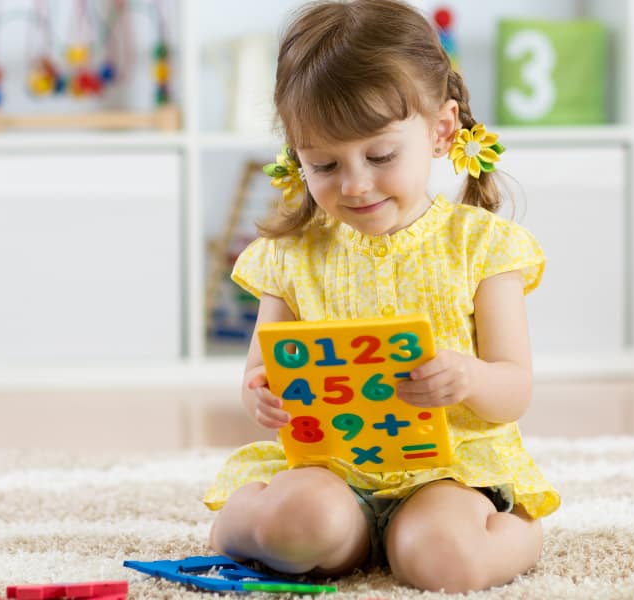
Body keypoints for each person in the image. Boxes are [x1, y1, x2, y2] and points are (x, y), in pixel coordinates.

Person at [203, 0, 560, 592]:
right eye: (323, 164)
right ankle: (271, 528)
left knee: (444, 562)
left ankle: (518, 531)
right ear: (297, 155)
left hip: (448, 474)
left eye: (380, 156)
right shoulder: (292, 255)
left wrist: (468, 378)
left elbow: (514, 388)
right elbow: (261, 371)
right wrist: (260, 395)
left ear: (440, 132)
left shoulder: (484, 247)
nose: (355, 184)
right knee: (298, 526)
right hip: (331, 470)